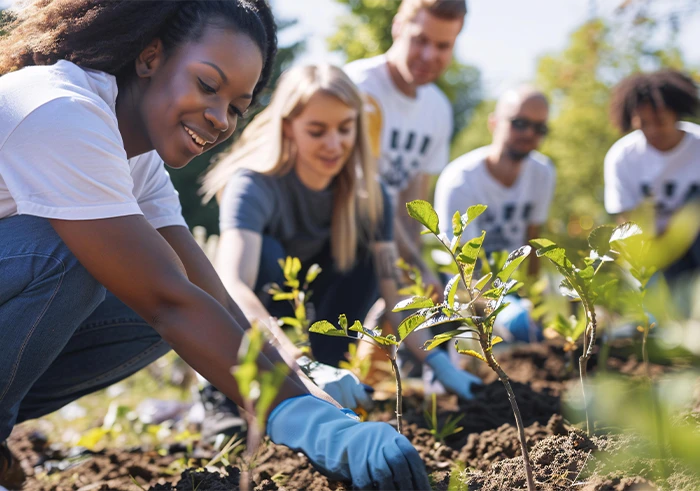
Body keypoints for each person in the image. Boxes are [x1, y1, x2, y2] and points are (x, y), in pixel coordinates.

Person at [0, 2, 430, 490]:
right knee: (68, 256)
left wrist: (304, 380)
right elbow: (166, 298)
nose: (220, 119)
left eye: (236, 107)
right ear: (150, 57)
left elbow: (212, 296)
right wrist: (306, 422)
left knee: (171, 294)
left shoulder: (135, 158)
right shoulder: (62, 111)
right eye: (208, 85)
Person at [201, 64, 481, 407]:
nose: (334, 145)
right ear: (288, 128)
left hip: (322, 294)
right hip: (263, 302)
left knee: (367, 259)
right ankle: (224, 398)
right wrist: (299, 364)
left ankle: (331, 378)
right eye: (317, 131)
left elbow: (394, 293)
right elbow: (233, 286)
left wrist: (437, 361)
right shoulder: (254, 186)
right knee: (266, 259)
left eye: (345, 129)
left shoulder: (369, 194)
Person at [343, 0, 467, 292]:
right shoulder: (359, 87)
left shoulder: (438, 109)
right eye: (420, 40)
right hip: (345, 239)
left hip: (388, 247)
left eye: (442, 46)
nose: (428, 55)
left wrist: (414, 271)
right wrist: (414, 264)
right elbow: (366, 194)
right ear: (398, 27)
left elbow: (413, 204)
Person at [434, 87, 555, 342]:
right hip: (464, 292)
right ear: (494, 123)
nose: (529, 134)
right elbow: (463, 267)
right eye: (519, 123)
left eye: (539, 128)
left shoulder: (543, 173)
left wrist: (535, 304)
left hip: (511, 289)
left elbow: (532, 243)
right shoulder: (461, 181)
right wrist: (494, 314)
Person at [605, 69, 700, 285]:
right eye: (643, 123)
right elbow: (626, 224)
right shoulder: (622, 157)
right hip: (657, 253)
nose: (653, 130)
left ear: (676, 114)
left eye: (659, 121)